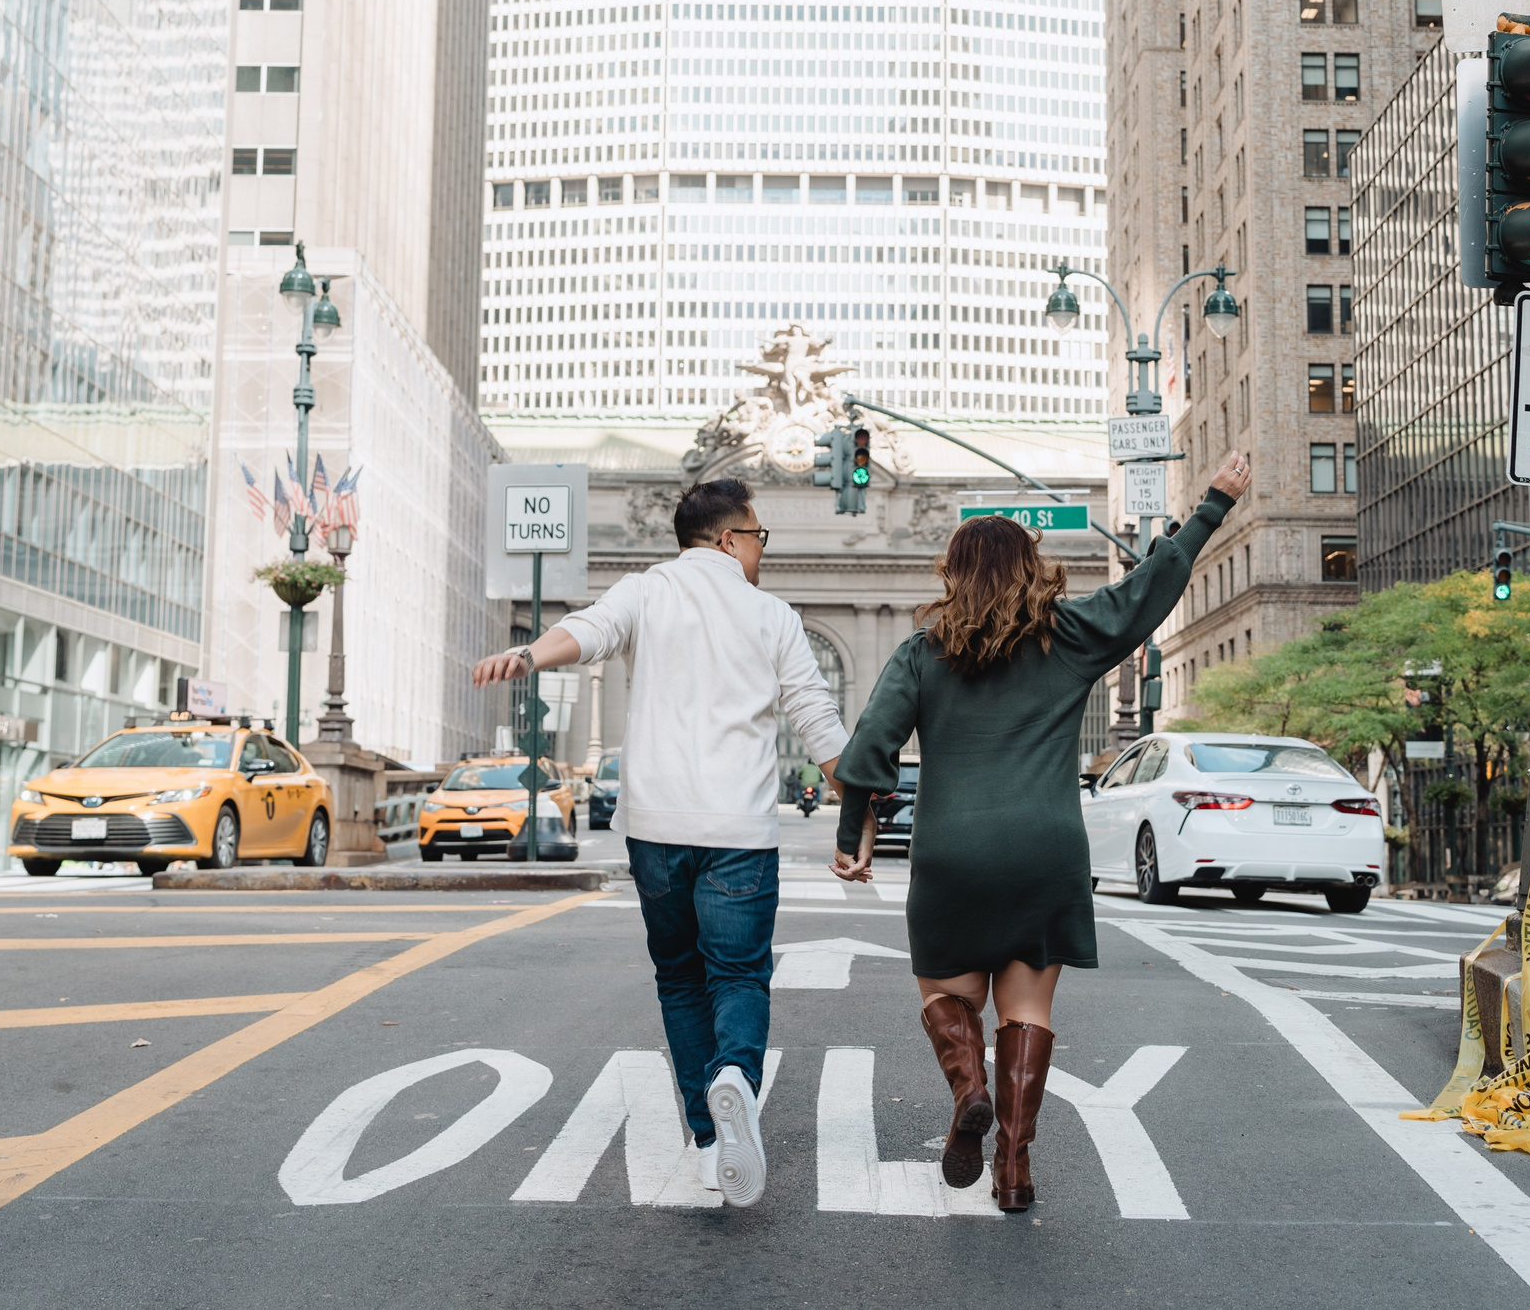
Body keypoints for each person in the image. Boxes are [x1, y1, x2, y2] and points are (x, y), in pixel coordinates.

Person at [829, 451, 1252, 1212]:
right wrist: (1214, 504)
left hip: (954, 858)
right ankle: (1014, 1168)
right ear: (1033, 568)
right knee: (1027, 1013)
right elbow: (1150, 589)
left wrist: (853, 828)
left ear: (952, 574)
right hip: (1046, 852)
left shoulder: (922, 655)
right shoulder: (1072, 634)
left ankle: (968, 1092)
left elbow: (867, 753)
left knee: (946, 995)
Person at [472, 476, 845, 1207]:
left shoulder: (644, 591)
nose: (762, 549)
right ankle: (736, 1072)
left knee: (679, 979)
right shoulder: (774, 615)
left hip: (656, 829)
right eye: (759, 536)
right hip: (739, 828)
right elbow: (814, 714)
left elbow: (586, 632)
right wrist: (857, 802)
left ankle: (708, 1141)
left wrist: (526, 659)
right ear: (730, 538)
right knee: (737, 975)